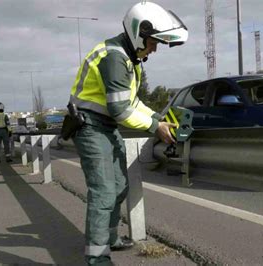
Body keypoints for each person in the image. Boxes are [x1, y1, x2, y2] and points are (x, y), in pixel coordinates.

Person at [68, 2, 188, 265]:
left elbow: (132, 102)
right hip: (89, 126)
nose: (155, 48)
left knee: (120, 186)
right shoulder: (114, 57)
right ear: (139, 33)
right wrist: (155, 127)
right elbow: (121, 109)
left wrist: (158, 118)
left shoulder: (129, 58)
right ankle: (97, 258)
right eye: (153, 42)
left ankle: (109, 237)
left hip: (106, 126)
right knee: (103, 192)